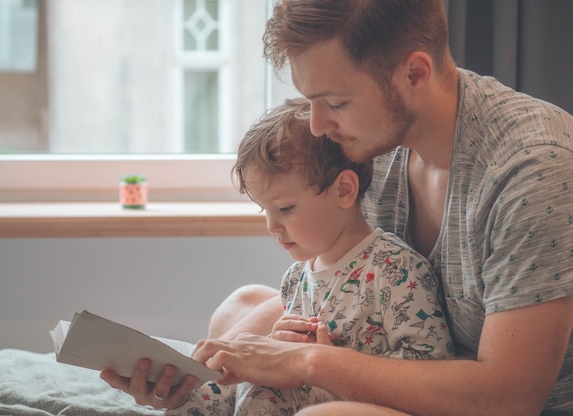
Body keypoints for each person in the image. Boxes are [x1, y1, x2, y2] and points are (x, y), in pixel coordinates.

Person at [103, 1, 573, 415]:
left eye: (335, 103)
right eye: (312, 101)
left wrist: (309, 362)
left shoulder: (532, 171)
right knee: (241, 309)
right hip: (390, 349)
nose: (318, 124)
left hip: (489, 401)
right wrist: (193, 380)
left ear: (414, 74)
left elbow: (509, 398)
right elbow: (335, 288)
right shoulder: (373, 135)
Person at [161, 98, 453, 416]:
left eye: (285, 208)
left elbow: (431, 367)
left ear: (343, 190)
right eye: (265, 210)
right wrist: (274, 346)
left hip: (347, 406)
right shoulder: (297, 276)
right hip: (283, 399)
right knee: (193, 401)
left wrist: (331, 365)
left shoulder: (395, 270)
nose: (272, 226)